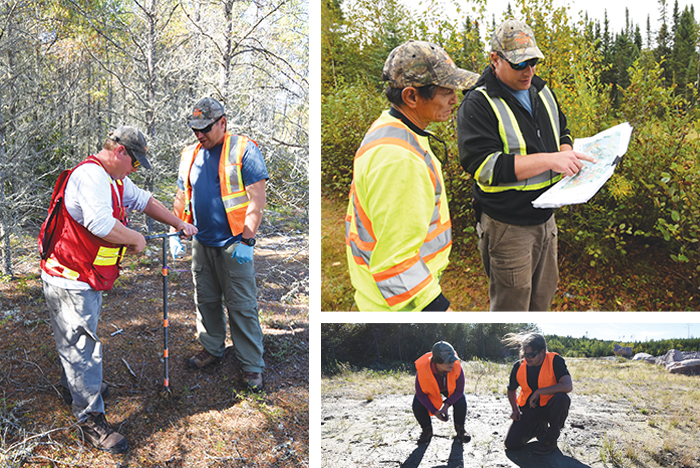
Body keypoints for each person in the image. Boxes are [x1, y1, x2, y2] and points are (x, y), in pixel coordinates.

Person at [38, 126, 198, 454]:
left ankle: (81, 386)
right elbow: (100, 223)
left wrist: (176, 223)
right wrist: (135, 238)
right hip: (69, 278)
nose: (134, 170)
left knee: (80, 341)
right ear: (120, 152)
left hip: (84, 276)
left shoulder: (114, 179)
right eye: (135, 163)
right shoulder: (92, 177)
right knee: (82, 345)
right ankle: (89, 419)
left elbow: (143, 200)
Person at [457, 20, 595, 311]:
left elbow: (563, 130)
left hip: (547, 219)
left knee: (543, 296)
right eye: (520, 64)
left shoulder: (542, 91)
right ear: (495, 59)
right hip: (508, 225)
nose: (529, 71)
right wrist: (551, 160)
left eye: (533, 62)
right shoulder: (478, 103)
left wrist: (567, 151)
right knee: (512, 305)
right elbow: (485, 167)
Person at [345, 40, 478, 311]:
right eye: (446, 92)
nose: (455, 99)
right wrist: (440, 310)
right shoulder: (400, 160)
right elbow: (395, 262)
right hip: (400, 304)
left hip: (385, 298)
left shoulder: (390, 127)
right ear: (411, 97)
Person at [171, 97, 268, 392]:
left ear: (222, 122)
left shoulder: (243, 149)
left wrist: (248, 240)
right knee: (206, 301)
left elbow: (257, 199)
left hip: (234, 244)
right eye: (195, 129)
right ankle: (212, 348)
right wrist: (177, 230)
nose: (199, 134)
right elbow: (180, 195)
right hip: (202, 242)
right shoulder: (189, 154)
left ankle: (251, 365)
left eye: (205, 128)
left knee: (241, 306)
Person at [503, 332, 572, 455]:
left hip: (550, 408)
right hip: (530, 409)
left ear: (542, 352)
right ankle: (539, 428)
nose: (527, 358)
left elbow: (567, 386)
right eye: (525, 354)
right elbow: (511, 389)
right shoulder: (519, 366)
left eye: (531, 355)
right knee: (511, 444)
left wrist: (539, 392)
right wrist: (514, 410)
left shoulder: (555, 360)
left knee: (562, 398)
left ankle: (550, 439)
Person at [413, 341, 470, 444]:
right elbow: (421, 394)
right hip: (431, 390)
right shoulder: (423, 370)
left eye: (453, 360)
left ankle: (460, 429)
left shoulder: (456, 367)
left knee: (461, 400)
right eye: (448, 361)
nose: (452, 363)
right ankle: (427, 431)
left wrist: (446, 405)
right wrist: (435, 411)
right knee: (417, 404)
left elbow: (459, 391)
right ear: (436, 361)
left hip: (449, 389)